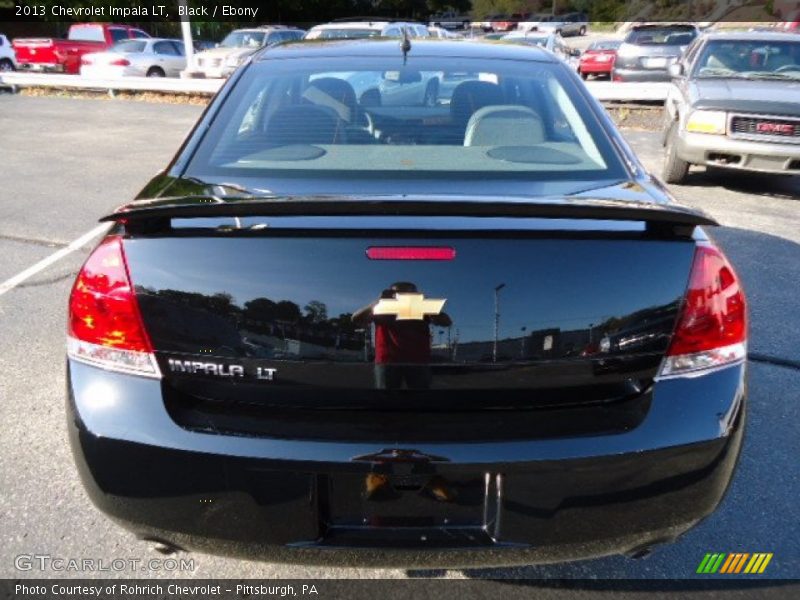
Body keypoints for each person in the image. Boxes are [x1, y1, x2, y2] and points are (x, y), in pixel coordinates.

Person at [352, 281, 451, 390]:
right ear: (391, 294)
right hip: (387, 361)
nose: (404, 296)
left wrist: (426, 305)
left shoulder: (422, 310)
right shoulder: (381, 309)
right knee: (387, 399)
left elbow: (446, 322)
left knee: (420, 398)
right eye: (399, 293)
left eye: (409, 293)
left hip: (417, 361)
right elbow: (355, 318)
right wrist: (377, 302)